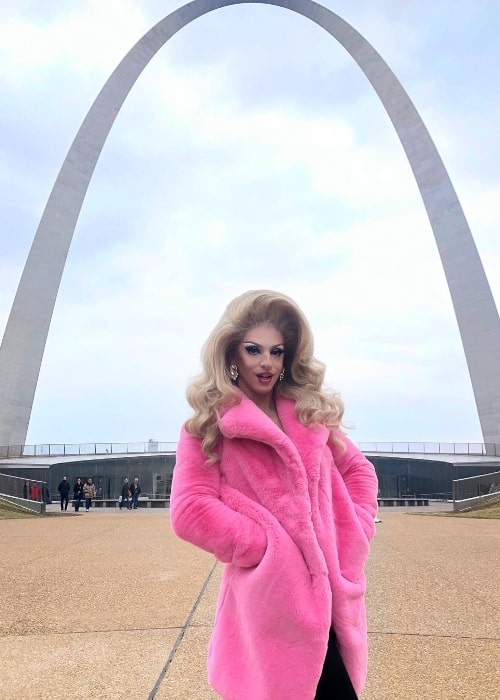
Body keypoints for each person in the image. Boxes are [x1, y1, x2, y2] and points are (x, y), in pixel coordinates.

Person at [170, 290, 379, 700]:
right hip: (272, 602)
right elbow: (190, 510)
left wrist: (353, 531)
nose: (266, 362)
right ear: (232, 354)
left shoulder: (309, 413)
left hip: (335, 593)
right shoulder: (208, 426)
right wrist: (266, 548)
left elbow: (359, 471)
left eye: (277, 352)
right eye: (254, 350)